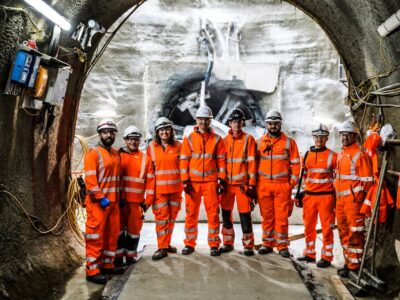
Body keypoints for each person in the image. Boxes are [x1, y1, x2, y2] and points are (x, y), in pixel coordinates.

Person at [180, 105, 227, 256]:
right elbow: (184, 161)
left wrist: (222, 180)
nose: (203, 123)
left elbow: (221, 162)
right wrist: (185, 181)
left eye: (206, 120)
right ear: (196, 120)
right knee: (191, 214)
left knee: (213, 214)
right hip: (193, 183)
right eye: (201, 119)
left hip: (211, 183)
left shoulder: (218, 140)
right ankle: (189, 244)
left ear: (210, 121)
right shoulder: (189, 139)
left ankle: (214, 244)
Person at [256, 110, 300, 258]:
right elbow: (253, 165)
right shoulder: (259, 142)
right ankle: (267, 243)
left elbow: (296, 164)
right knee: (267, 216)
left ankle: (282, 245)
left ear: (280, 124)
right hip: (263, 185)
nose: (273, 126)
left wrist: (292, 183)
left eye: (276, 123)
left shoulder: (289, 142)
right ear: (266, 124)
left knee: (281, 217)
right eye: (270, 123)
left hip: (282, 186)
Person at [84, 119, 121, 284]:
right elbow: (91, 181)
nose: (109, 135)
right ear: (100, 134)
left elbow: (116, 179)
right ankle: (92, 271)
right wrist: (101, 198)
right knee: (95, 237)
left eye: (112, 132)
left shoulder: (115, 153)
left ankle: (107, 265)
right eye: (105, 132)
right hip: (98, 204)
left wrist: (118, 199)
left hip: (113, 203)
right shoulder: (92, 153)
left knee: (111, 236)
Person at [335, 120, 373, 277]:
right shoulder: (341, 154)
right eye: (342, 135)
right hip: (340, 203)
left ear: (354, 136)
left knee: (355, 234)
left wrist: (357, 198)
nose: (344, 138)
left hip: (353, 203)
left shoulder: (360, 155)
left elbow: (368, 182)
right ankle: (348, 262)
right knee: (343, 233)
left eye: (347, 135)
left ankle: (354, 266)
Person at [296, 124, 337, 268]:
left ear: (327, 138)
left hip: (326, 197)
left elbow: (337, 179)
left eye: (322, 137)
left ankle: (326, 256)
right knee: (308, 226)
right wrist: (301, 193)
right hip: (309, 197)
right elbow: (305, 177)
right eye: (316, 136)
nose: (319, 139)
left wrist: (336, 200)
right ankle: (309, 253)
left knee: (327, 228)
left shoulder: (333, 157)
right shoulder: (306, 155)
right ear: (313, 137)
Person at [114, 125, 153, 268]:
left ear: (140, 141)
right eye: (130, 139)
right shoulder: (117, 155)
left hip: (136, 203)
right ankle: (118, 257)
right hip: (119, 202)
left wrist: (147, 202)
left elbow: (150, 183)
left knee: (134, 231)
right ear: (125, 140)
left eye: (136, 139)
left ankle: (130, 256)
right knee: (118, 230)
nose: (133, 142)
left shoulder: (145, 159)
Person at [220, 108, 257, 256]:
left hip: (242, 186)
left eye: (239, 122)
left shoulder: (249, 139)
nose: (237, 125)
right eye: (234, 122)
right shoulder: (223, 141)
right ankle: (227, 243)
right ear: (230, 123)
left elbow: (252, 163)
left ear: (242, 123)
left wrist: (252, 185)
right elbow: (221, 163)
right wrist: (221, 181)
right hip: (227, 185)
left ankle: (248, 246)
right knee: (226, 215)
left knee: (245, 216)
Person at [146, 117, 182, 260]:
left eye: (167, 129)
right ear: (157, 132)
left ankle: (166, 244)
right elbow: (149, 172)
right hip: (159, 192)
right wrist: (149, 194)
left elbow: (184, 167)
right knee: (161, 220)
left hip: (175, 190)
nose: (164, 132)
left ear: (171, 131)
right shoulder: (151, 148)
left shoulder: (179, 146)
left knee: (171, 220)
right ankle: (161, 248)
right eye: (161, 130)